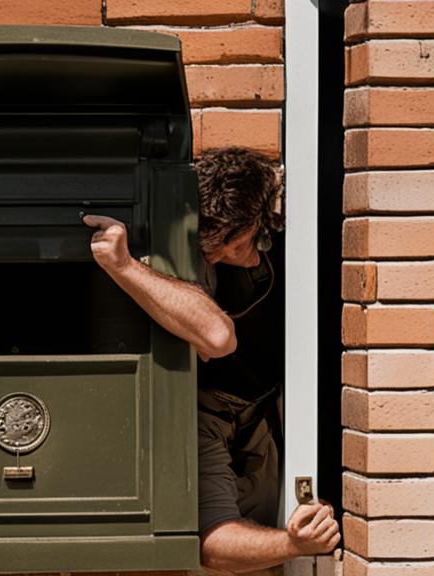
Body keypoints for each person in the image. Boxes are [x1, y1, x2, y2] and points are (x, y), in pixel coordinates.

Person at [83, 147, 339, 574]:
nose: (220, 254)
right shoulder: (195, 256)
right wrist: (295, 543)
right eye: (211, 247)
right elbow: (217, 337)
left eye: (232, 242)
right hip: (210, 410)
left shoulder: (278, 235)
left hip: (267, 406)